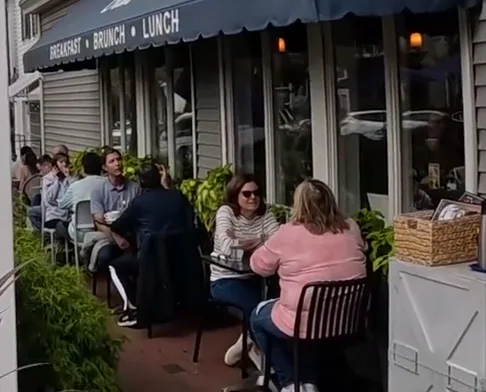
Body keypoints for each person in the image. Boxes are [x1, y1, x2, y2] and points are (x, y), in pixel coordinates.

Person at [249, 180, 367, 392]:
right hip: (344, 320)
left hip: (303, 321)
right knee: (309, 317)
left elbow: (259, 266)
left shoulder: (288, 233)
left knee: (258, 319)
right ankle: (310, 382)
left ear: (299, 204)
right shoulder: (351, 227)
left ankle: (289, 382)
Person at [108, 164, 197, 326]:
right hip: (182, 260)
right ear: (160, 178)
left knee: (116, 265)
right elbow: (190, 221)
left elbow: (118, 225)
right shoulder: (178, 196)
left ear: (141, 182)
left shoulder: (140, 202)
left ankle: (135, 307)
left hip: (151, 261)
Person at [210, 173, 281, 367]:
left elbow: (278, 242)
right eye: (247, 193)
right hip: (225, 279)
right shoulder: (226, 212)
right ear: (235, 196)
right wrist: (261, 239)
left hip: (258, 277)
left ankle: (245, 344)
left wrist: (243, 243)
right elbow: (227, 247)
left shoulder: (265, 214)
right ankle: (263, 357)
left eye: (256, 193)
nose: (253, 198)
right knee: (255, 305)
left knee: (279, 304)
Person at [90, 149, 141, 317]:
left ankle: (133, 300)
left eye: (118, 160)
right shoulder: (98, 189)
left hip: (132, 234)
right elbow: (98, 221)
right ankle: (120, 298)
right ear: (105, 167)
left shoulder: (133, 187)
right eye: (112, 161)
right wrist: (117, 237)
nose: (117, 163)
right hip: (110, 236)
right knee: (105, 257)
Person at [56, 151, 106, 247]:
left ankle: (69, 255)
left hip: (79, 233)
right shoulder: (108, 184)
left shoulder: (75, 186)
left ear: (83, 169)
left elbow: (61, 205)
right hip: (103, 231)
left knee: (59, 226)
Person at [27, 154, 59, 230]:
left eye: (41, 170)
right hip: (52, 207)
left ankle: (42, 230)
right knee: (36, 197)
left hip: (52, 209)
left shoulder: (48, 178)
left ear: (47, 166)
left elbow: (48, 199)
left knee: (30, 211)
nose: (40, 173)